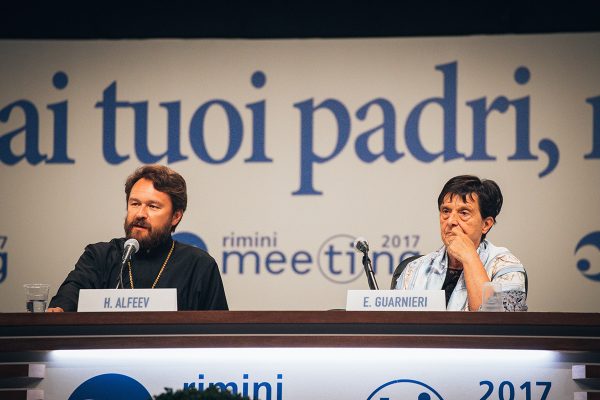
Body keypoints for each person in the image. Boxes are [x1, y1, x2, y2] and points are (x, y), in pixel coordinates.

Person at [47, 165, 228, 312]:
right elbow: (68, 298)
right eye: (135, 204)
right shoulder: (100, 257)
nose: (140, 214)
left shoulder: (199, 265)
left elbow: (218, 335)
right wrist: (60, 309)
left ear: (176, 216)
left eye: (153, 206)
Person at [394, 175, 526, 311]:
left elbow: (498, 325)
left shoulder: (506, 266)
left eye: (464, 212)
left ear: (486, 224)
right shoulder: (414, 269)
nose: (451, 221)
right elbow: (395, 325)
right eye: (446, 211)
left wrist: (469, 257)